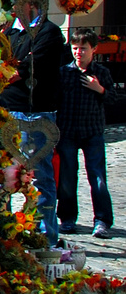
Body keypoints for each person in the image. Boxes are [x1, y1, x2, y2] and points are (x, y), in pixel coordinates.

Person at [8, 0, 65, 245]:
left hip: (37, 114)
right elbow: (5, 62)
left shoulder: (49, 32)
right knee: (5, 175)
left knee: (41, 177)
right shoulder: (12, 31)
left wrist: (3, 72)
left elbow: (26, 67)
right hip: (9, 110)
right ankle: (4, 232)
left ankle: (46, 238)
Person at [57, 31, 114, 238]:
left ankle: (102, 220)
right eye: (75, 48)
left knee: (98, 177)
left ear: (93, 49)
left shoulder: (101, 72)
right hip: (68, 131)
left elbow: (113, 99)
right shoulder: (64, 72)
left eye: (83, 48)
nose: (78, 52)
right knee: (67, 177)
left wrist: (99, 89)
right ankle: (67, 218)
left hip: (92, 132)